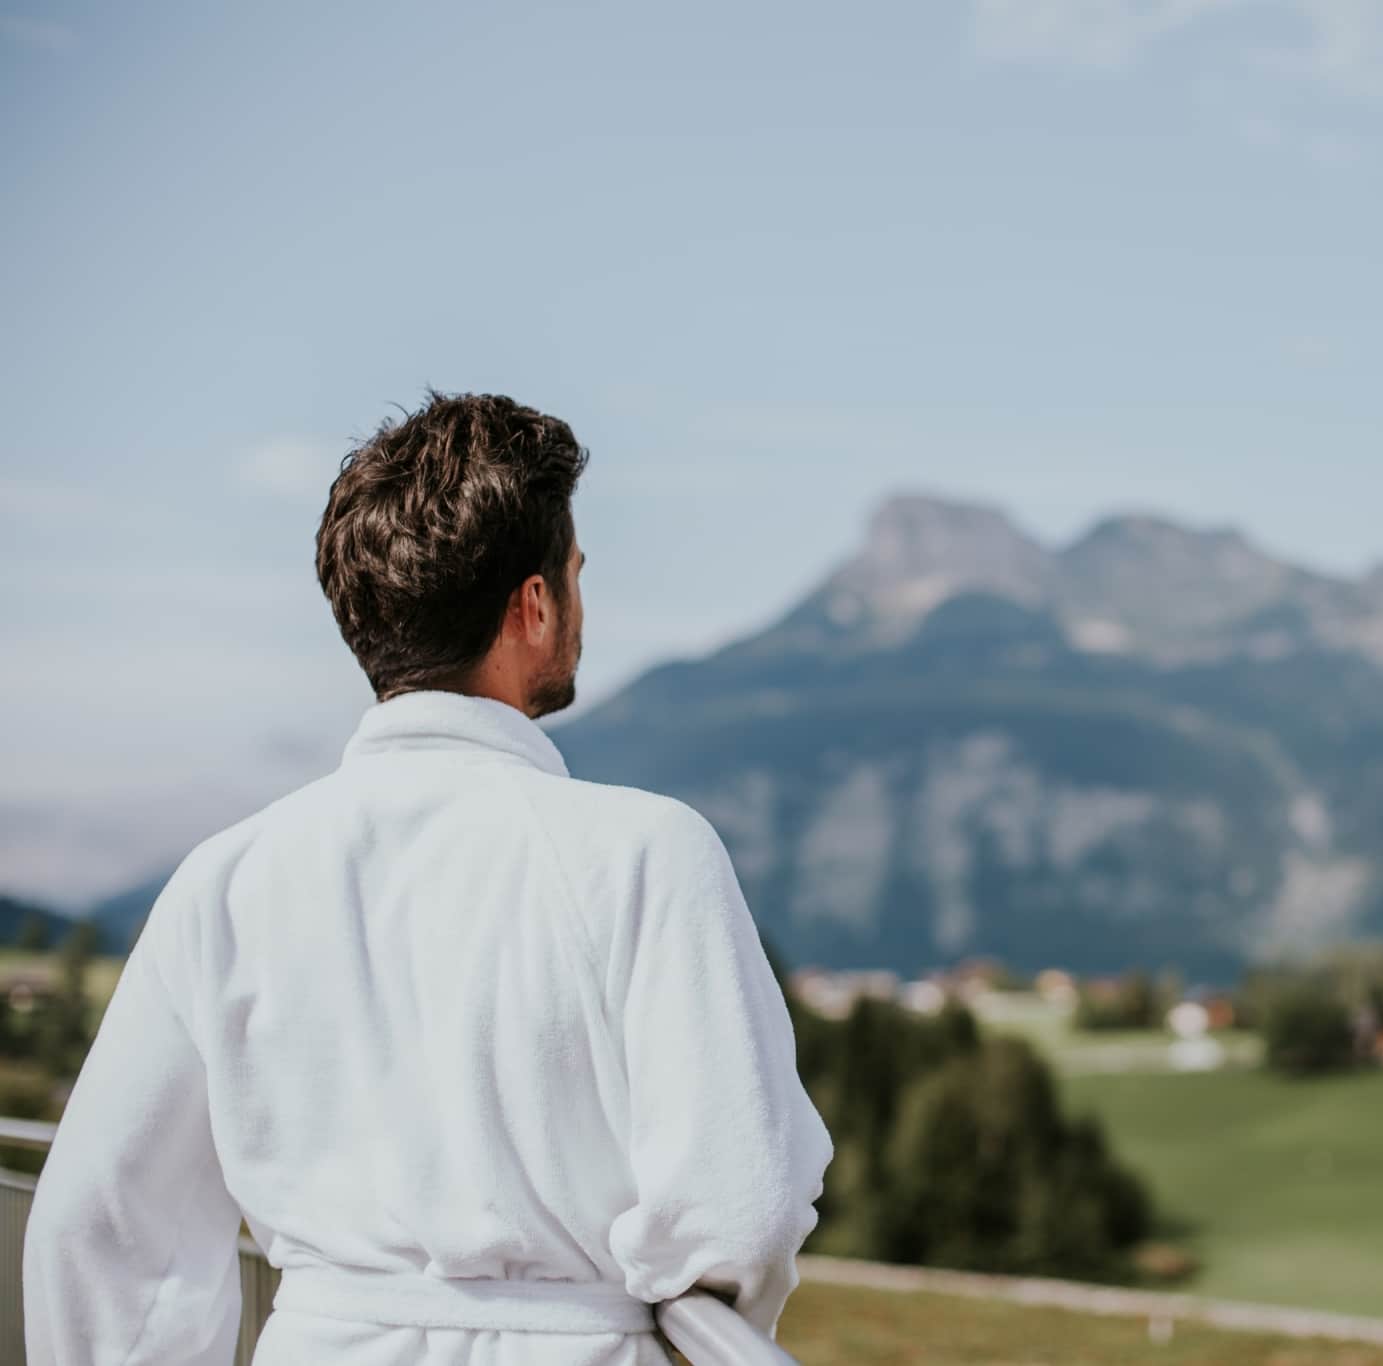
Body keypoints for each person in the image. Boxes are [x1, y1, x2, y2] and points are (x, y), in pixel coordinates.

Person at [22, 391, 833, 1364]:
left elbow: (102, 1222)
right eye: (573, 575)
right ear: (533, 605)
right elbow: (743, 1206)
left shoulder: (226, 881)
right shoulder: (647, 852)